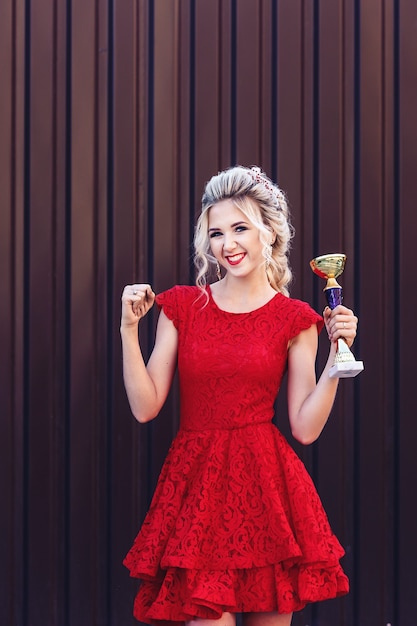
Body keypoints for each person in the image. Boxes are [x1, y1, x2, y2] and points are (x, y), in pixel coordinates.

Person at [121, 165, 357, 626]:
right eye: (215, 233)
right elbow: (146, 407)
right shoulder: (183, 307)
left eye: (240, 228)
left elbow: (304, 429)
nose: (227, 244)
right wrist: (129, 329)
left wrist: (335, 359)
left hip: (266, 490)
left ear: (269, 232)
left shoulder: (297, 318)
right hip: (197, 487)